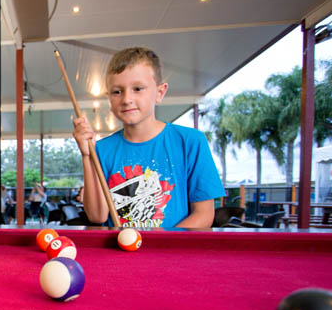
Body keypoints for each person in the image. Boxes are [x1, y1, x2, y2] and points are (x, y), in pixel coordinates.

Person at [73, 47, 224, 228]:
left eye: (137, 88)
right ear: (109, 98)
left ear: (160, 92)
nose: (127, 99)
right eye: (117, 92)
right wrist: (86, 156)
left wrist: (161, 243)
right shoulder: (101, 149)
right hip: (121, 254)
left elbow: (204, 215)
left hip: (171, 254)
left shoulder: (191, 141)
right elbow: (97, 216)